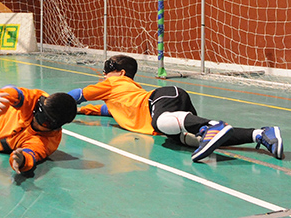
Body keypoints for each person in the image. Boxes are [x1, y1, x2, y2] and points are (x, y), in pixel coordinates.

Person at [68, 54, 284, 162]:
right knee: (188, 138)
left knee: (164, 122)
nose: (105, 74)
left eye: (109, 70)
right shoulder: (121, 96)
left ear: (121, 73)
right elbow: (109, 110)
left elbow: (78, 95)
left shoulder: (111, 83)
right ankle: (261, 134)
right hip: (166, 105)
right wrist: (80, 111)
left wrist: (52, 103)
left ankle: (211, 125)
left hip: (162, 98)